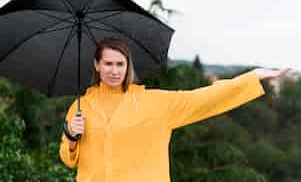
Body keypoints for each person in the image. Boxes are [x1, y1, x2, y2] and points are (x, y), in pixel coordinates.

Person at [59, 37, 290, 182]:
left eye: (121, 64)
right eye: (108, 64)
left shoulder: (154, 103)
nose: (114, 70)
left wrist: (252, 78)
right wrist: (71, 136)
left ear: (128, 66)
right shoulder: (81, 107)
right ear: (97, 65)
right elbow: (69, 160)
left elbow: (202, 99)